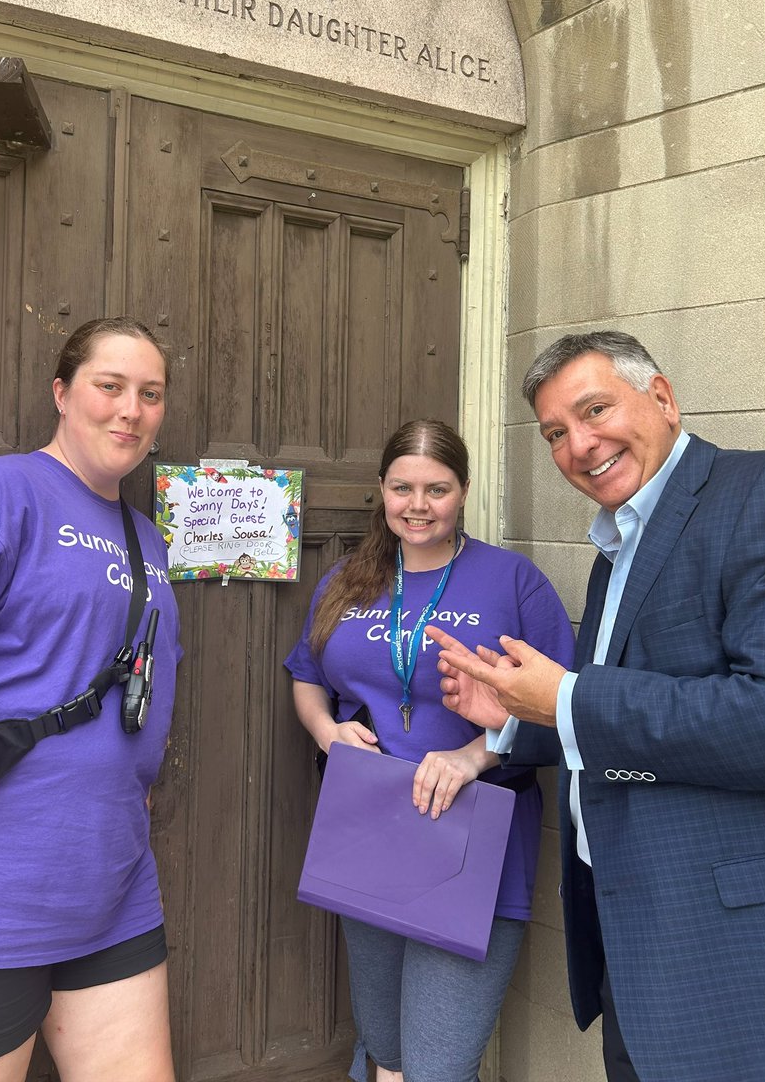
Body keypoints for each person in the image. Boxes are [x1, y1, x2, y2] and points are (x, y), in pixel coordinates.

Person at [428, 331, 765, 1082]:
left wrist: (563, 694)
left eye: (595, 410)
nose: (579, 445)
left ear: (662, 398)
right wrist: (509, 715)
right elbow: (609, 725)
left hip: (724, 955)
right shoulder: (619, 543)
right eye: (556, 434)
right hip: (630, 941)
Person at [0, 317, 181, 1081]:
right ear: (62, 394)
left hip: (111, 886)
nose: (131, 409)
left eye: (150, 394)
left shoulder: (146, 538)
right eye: (110, 386)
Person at [285, 419, 574, 1082]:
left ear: (463, 491)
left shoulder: (512, 582)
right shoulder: (347, 580)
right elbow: (306, 676)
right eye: (402, 487)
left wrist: (476, 753)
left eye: (436, 489)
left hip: (475, 842)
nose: (417, 504)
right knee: (385, 1054)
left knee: (436, 1067)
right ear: (382, 490)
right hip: (371, 832)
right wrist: (327, 732)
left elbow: (562, 708)